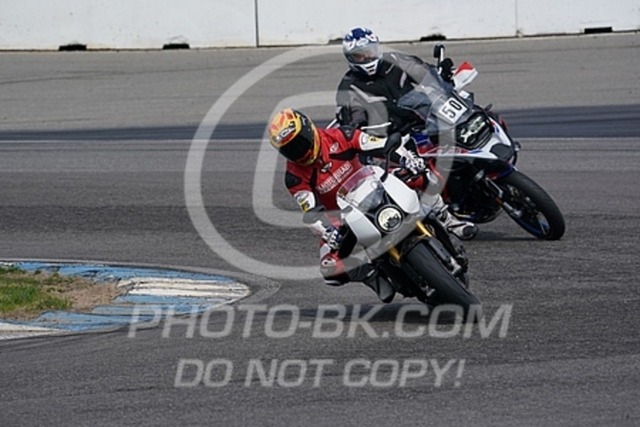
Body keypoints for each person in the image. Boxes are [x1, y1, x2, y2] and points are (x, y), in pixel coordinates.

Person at [268, 108, 427, 303]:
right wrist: (326, 231)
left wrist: (407, 159)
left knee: (422, 177)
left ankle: (446, 217)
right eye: (289, 149)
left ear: (309, 129)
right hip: (342, 218)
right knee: (330, 269)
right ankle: (372, 275)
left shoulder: (341, 135)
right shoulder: (294, 177)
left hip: (373, 186)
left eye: (299, 142)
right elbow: (309, 211)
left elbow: (378, 144)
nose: (297, 151)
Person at [335, 26, 478, 240]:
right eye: (359, 55)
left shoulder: (396, 60)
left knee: (472, 119)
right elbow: (353, 120)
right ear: (350, 59)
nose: (367, 58)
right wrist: (364, 127)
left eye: (370, 51)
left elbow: (424, 73)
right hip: (395, 135)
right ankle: (448, 219)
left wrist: (442, 76)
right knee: (418, 171)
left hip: (425, 118)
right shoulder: (349, 87)